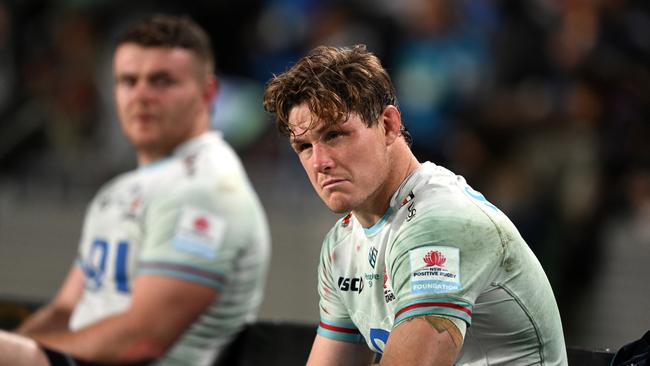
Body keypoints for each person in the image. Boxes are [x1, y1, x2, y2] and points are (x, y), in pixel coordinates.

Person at [262, 44, 567, 366]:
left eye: (335, 135)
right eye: (304, 146)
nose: (320, 162)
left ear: (389, 125)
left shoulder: (443, 222)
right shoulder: (342, 244)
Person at [9, 14, 271, 366]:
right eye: (128, 81)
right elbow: (63, 309)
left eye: (162, 81)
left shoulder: (209, 189)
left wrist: (25, 353)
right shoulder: (120, 189)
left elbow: (142, 341)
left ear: (208, 92)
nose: (142, 95)